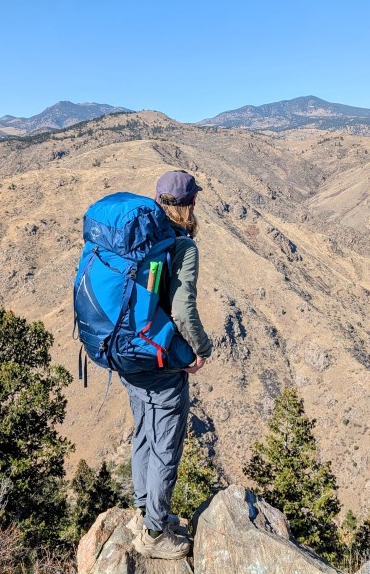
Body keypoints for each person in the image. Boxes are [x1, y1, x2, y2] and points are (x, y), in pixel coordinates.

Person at [124, 170, 213, 560]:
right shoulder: (182, 246)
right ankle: (154, 532)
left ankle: (144, 511)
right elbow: (182, 308)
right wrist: (200, 348)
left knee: (143, 430)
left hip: (126, 352)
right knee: (166, 444)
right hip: (159, 360)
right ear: (189, 204)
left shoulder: (139, 235)